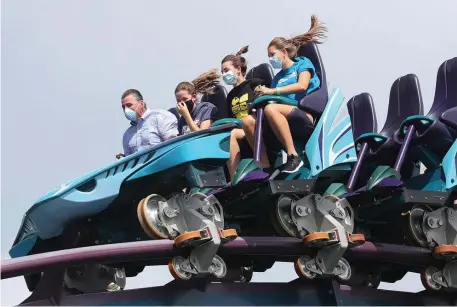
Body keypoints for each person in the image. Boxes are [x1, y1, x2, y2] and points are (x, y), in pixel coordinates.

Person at [243, 15, 327, 173]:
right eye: (268, 56)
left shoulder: (302, 63)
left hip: (305, 113)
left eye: (272, 54)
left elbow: (302, 86)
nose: (270, 58)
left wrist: (272, 91)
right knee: (248, 121)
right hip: (282, 115)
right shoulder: (277, 78)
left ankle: (294, 157)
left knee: (271, 109)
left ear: (283, 52)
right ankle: (264, 166)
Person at [221, 45, 267, 180]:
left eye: (226, 70)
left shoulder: (254, 84)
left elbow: (264, 101)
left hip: (257, 125)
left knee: (232, 134)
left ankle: (236, 175)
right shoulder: (230, 96)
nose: (224, 75)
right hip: (240, 129)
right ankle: (233, 178)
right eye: (222, 72)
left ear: (238, 69)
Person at [120, 89, 179, 157]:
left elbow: (174, 145)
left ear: (141, 104)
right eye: (123, 107)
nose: (126, 110)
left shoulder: (160, 117)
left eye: (129, 105)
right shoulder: (127, 135)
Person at [175, 69, 219, 135]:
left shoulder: (206, 109)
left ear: (194, 97)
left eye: (185, 99)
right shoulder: (181, 120)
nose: (181, 103)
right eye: (178, 101)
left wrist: (187, 115)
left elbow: (202, 135)